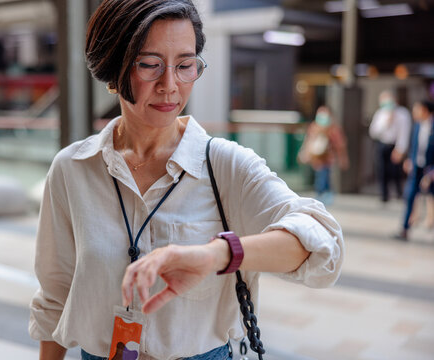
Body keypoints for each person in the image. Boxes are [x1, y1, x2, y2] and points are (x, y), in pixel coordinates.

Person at [29, 1, 344, 359]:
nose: (170, 85)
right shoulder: (73, 169)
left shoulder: (224, 165)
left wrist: (217, 254)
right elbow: (55, 294)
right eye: (150, 65)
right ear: (113, 68)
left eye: (185, 65)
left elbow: (324, 243)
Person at [395, 100, 434, 240]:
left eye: (417, 109)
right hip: (417, 168)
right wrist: (409, 160)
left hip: (430, 169)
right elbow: (414, 147)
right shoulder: (417, 126)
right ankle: (404, 229)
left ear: (425, 110)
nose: (414, 112)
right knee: (410, 196)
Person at [297, 105, 349, 205]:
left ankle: (324, 195)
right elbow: (308, 142)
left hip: (327, 159)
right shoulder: (314, 127)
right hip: (316, 159)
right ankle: (323, 194)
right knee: (321, 177)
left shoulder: (333, 130)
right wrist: (304, 154)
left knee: (323, 176)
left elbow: (340, 146)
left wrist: (343, 159)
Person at [369, 90, 412, 202]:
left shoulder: (402, 114)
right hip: (382, 144)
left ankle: (399, 193)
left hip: (395, 145)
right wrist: (386, 122)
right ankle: (384, 195)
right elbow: (373, 132)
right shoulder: (380, 113)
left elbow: (404, 133)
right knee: (382, 170)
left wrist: (400, 149)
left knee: (396, 171)